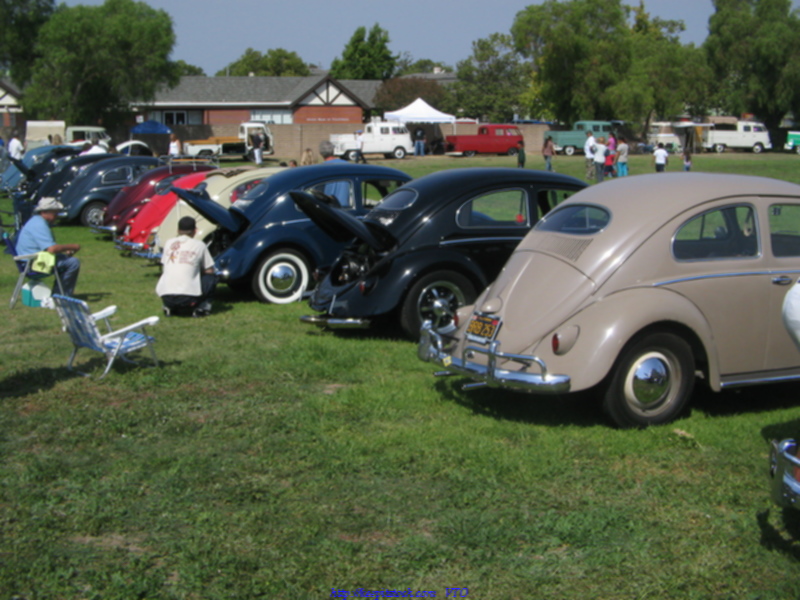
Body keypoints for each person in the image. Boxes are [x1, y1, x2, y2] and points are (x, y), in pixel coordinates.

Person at [15, 197, 81, 296]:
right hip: (32, 265)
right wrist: (72, 246)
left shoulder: (36, 221)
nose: (57, 216)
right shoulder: (39, 224)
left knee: (66, 260)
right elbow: (52, 249)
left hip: (31, 260)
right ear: (46, 212)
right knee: (73, 263)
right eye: (55, 213)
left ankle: (59, 294)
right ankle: (61, 296)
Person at [155, 216, 217, 317]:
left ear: (178, 230)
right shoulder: (199, 245)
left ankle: (169, 307)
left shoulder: (168, 243)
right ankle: (202, 308)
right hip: (188, 298)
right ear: (195, 230)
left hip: (166, 296)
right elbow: (209, 270)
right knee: (211, 277)